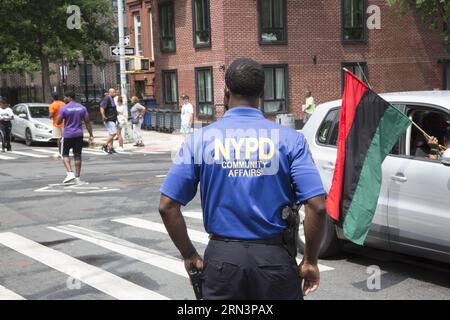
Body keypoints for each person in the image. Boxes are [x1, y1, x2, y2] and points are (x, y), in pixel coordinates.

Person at [159, 58, 327, 300]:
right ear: (263, 92)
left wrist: (189, 254)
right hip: (275, 260)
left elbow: (167, 205)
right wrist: (310, 260)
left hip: (222, 262)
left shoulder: (199, 140)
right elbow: (317, 206)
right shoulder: (290, 140)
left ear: (226, 91)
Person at [57, 91, 94, 185]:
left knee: (64, 154)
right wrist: (90, 134)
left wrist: (60, 117)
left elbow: (58, 121)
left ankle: (69, 173)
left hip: (68, 134)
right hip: (78, 134)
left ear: (69, 97)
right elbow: (87, 122)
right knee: (77, 155)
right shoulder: (82, 108)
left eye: (65, 97)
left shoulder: (64, 108)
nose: (64, 99)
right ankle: (77, 178)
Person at [100, 88, 118, 154]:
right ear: (110, 92)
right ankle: (104, 146)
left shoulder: (111, 99)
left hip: (112, 119)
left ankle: (111, 148)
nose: (115, 93)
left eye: (115, 92)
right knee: (114, 133)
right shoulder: (107, 98)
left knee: (111, 134)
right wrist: (103, 116)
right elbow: (102, 107)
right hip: (109, 119)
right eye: (113, 92)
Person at [48, 92, 65, 158]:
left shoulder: (52, 105)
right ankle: (65, 151)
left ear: (52, 98)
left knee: (59, 138)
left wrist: (49, 117)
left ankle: (60, 152)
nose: (50, 98)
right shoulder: (63, 103)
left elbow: (51, 114)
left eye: (50, 97)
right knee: (64, 138)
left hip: (56, 123)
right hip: (64, 122)